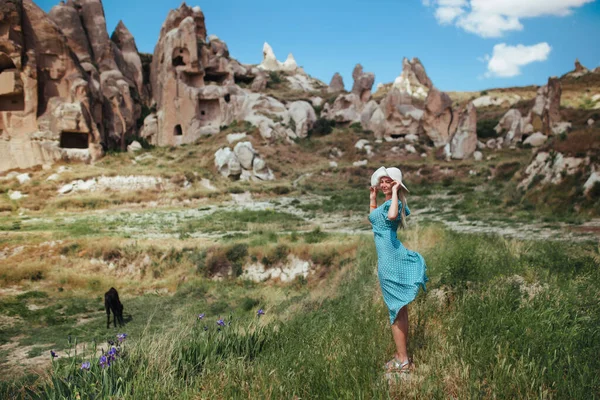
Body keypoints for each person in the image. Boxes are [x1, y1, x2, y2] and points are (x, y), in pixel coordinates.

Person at [368, 166, 428, 373]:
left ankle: (402, 360)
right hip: (388, 258)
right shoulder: (384, 204)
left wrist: (394, 192)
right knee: (399, 309)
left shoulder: (395, 203)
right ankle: (402, 356)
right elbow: (375, 220)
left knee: (395, 310)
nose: (384, 184)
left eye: (388, 182)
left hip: (390, 260)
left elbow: (392, 216)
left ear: (396, 183)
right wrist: (372, 198)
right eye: (382, 182)